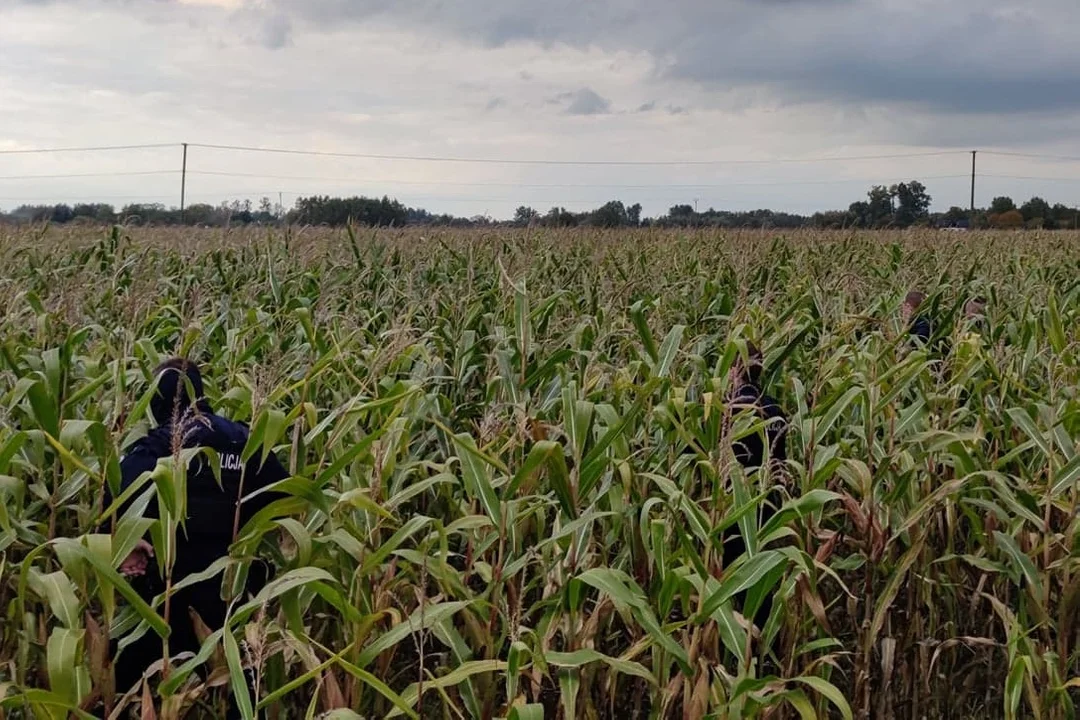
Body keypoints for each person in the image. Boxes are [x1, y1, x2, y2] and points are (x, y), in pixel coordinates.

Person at [105, 358, 289, 712]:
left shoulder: (157, 446)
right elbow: (284, 493)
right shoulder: (242, 440)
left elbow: (115, 498)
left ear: (158, 399)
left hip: (167, 587)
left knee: (130, 673)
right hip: (232, 588)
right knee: (242, 682)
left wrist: (129, 544)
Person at [724, 341, 788, 631]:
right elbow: (781, 460)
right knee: (763, 574)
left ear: (734, 369)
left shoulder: (732, 408)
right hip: (770, 503)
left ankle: (738, 643)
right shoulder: (775, 408)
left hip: (736, 505)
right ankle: (765, 638)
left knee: (733, 579)